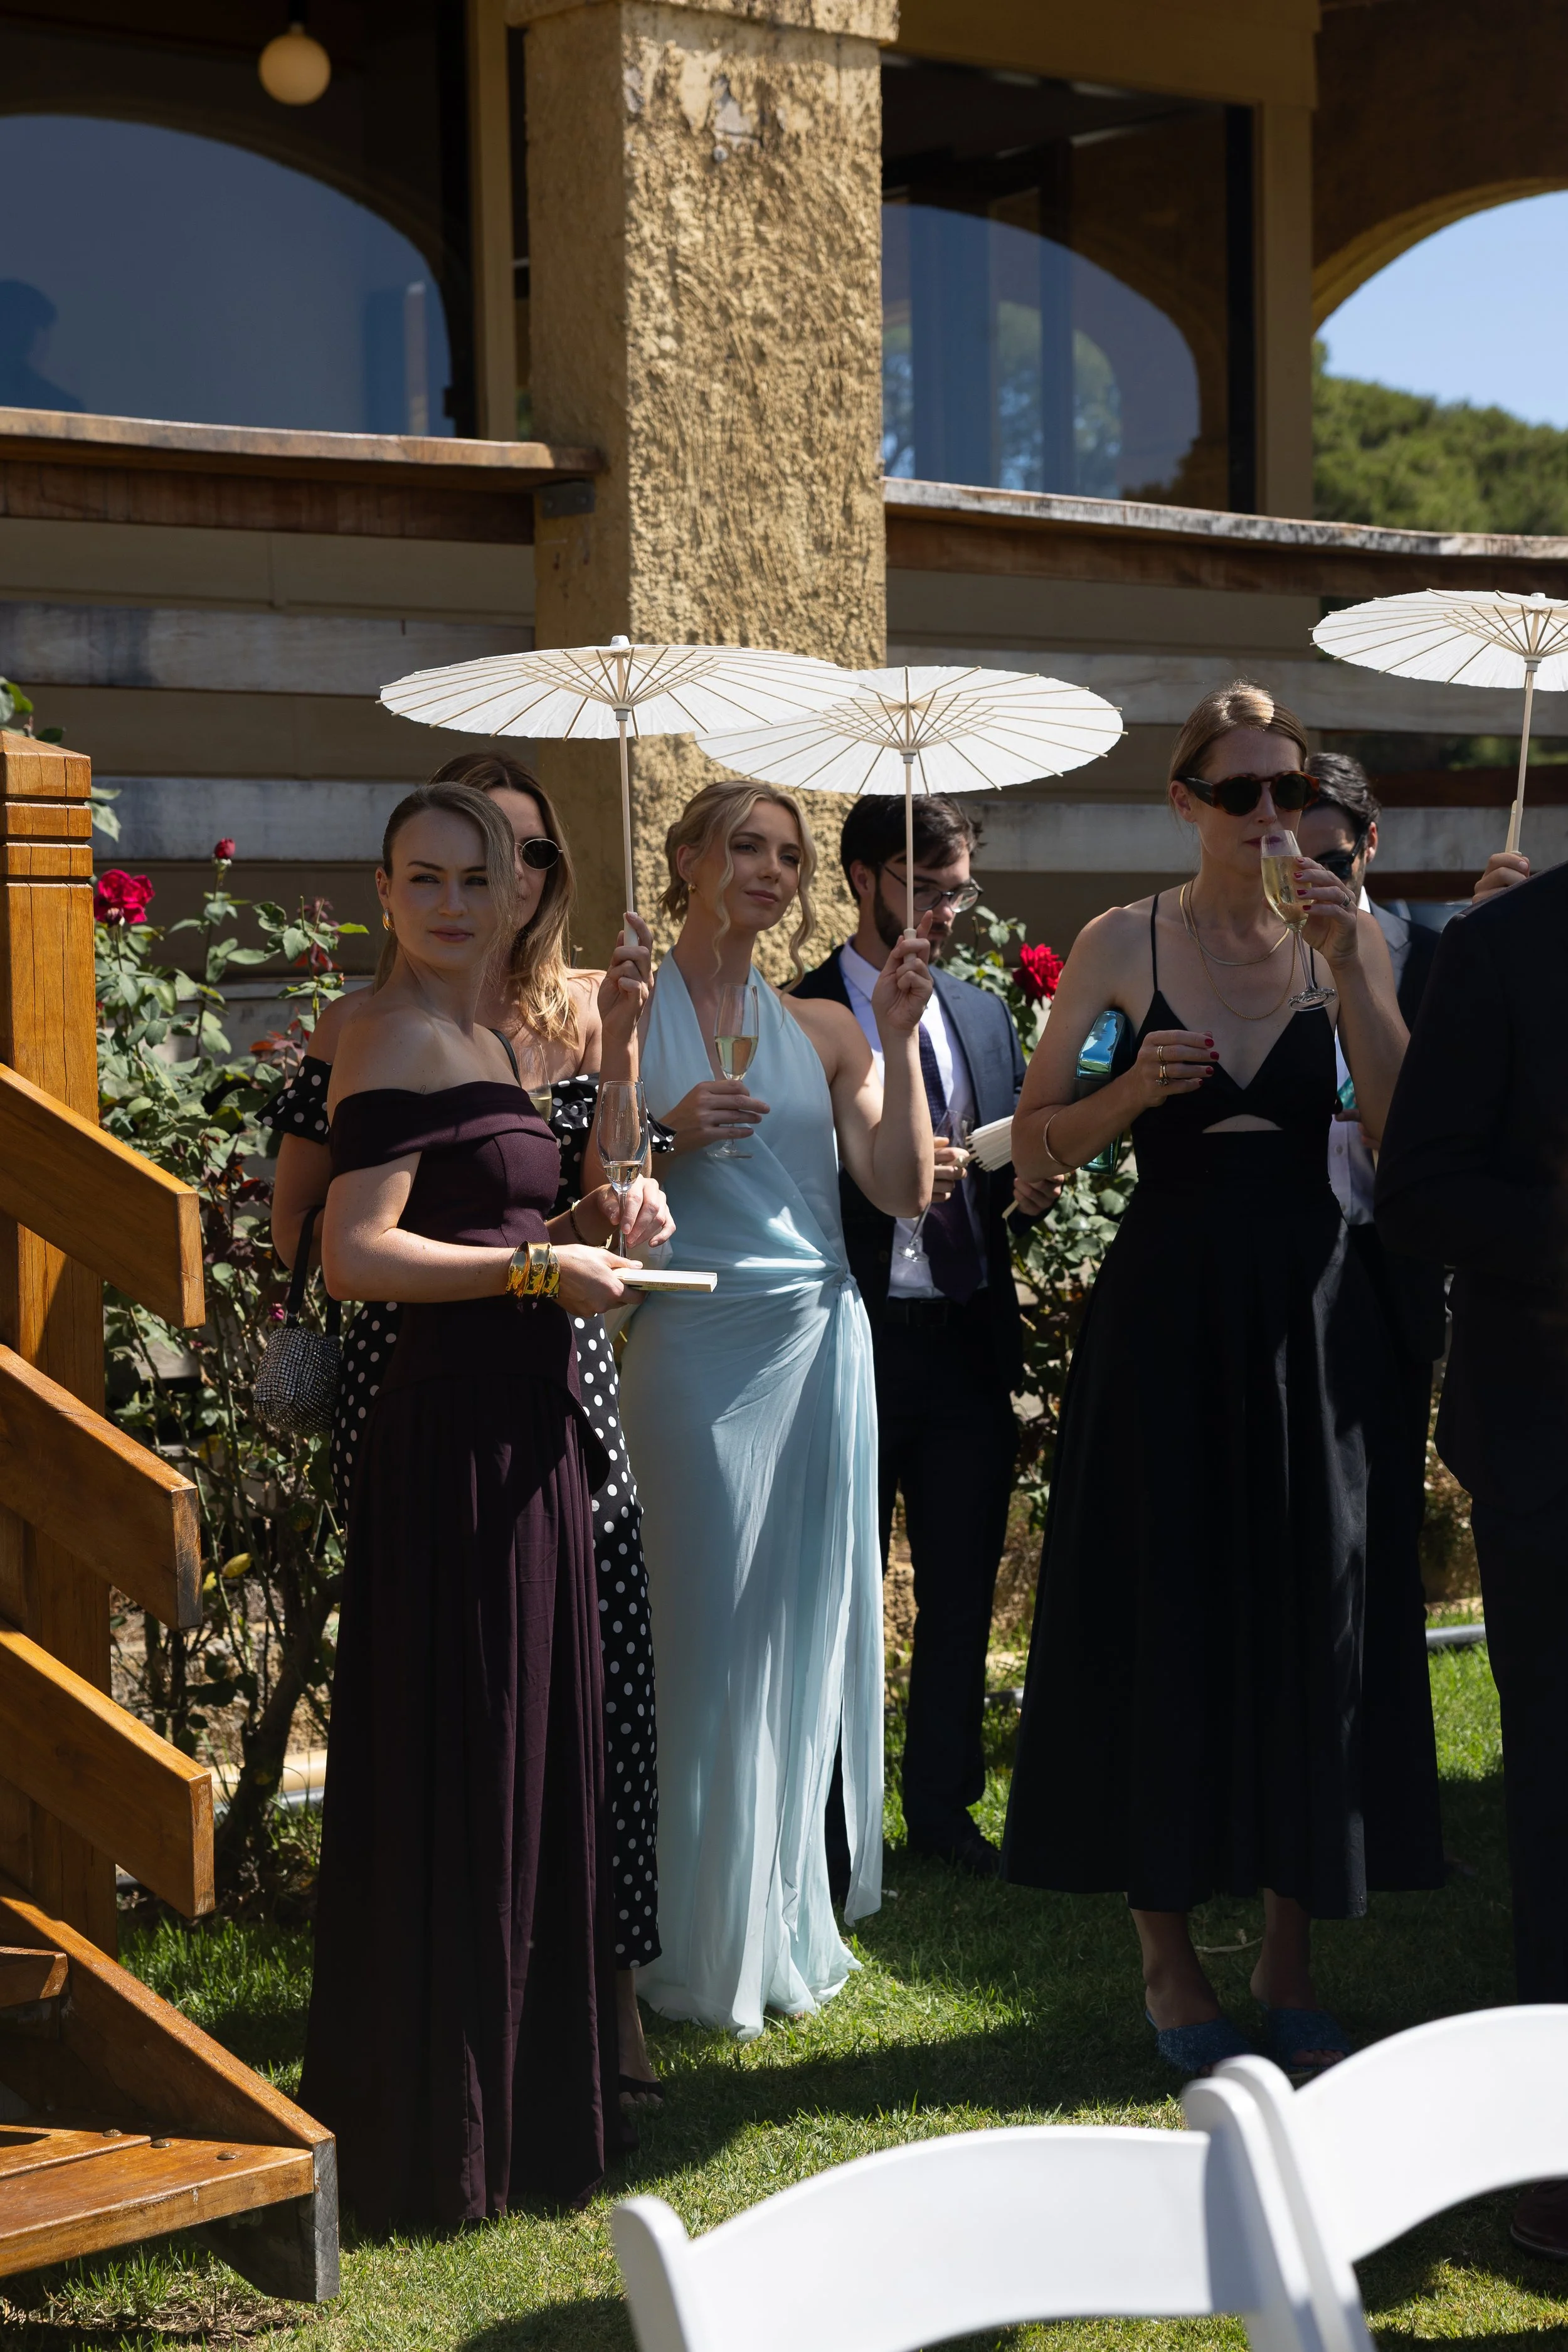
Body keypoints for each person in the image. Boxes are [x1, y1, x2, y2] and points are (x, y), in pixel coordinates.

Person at [1002, 680, 1444, 2081]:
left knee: (1308, 1614)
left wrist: (1355, 968)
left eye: (1289, 790)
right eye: (1241, 790)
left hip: (1313, 1316)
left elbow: (1403, 1137)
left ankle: (1287, 1960)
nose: (1270, 814)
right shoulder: (1118, 943)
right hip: (1166, 1320)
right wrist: (1128, 1092)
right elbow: (1034, 1144)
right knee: (1166, 1610)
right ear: (1183, 802)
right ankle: (1167, 1963)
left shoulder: (1344, 939)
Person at [270, 753, 673, 2110]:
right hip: (445, 1413)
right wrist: (536, 1270)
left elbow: (515, 1216)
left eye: (482, 875)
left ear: (522, 891)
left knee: (536, 1725)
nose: (455, 901)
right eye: (426, 878)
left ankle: (534, 2069)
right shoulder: (381, 1032)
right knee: (465, 1731)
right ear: (385, 892)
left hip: (532, 1400)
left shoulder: (509, 1037)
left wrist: (580, 1228)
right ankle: (443, 2092)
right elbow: (345, 1251)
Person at [618, 778, 935, 2042]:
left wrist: (901, 1040)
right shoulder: (618, 1005)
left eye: (790, 855)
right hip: (688, 1342)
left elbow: (901, 1188)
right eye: (745, 846)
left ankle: (772, 1925)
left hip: (815, 1344)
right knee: (694, 1638)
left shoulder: (824, 1027)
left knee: (789, 1645)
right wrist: (662, 1130)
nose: (770, 868)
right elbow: (587, 1184)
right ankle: (674, 1940)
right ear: (686, 858)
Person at [794, 792, 1054, 1878]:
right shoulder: (803, 1011)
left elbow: (1011, 1151)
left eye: (961, 890)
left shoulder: (982, 1013)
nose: (948, 912)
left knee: (960, 1586)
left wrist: (1023, 1180)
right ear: (864, 877)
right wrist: (892, 1169)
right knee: (840, 1590)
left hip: (964, 1334)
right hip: (851, 1330)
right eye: (928, 888)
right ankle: (835, 1827)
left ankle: (943, 1812)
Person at [1375, 846, 1568, 2258]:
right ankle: (1555, 2136)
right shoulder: (1504, 949)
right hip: (1549, 1437)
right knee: (1557, 1791)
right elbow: (1420, 1191)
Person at [1298, 756, 1449, 1849]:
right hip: (1290, 1267)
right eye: (1295, 861)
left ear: (1372, 843)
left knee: (1388, 1534)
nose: (1314, 879)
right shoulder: (1251, 949)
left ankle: (1393, 1805)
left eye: (1335, 859)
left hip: (1388, 1271)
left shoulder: (1433, 952)